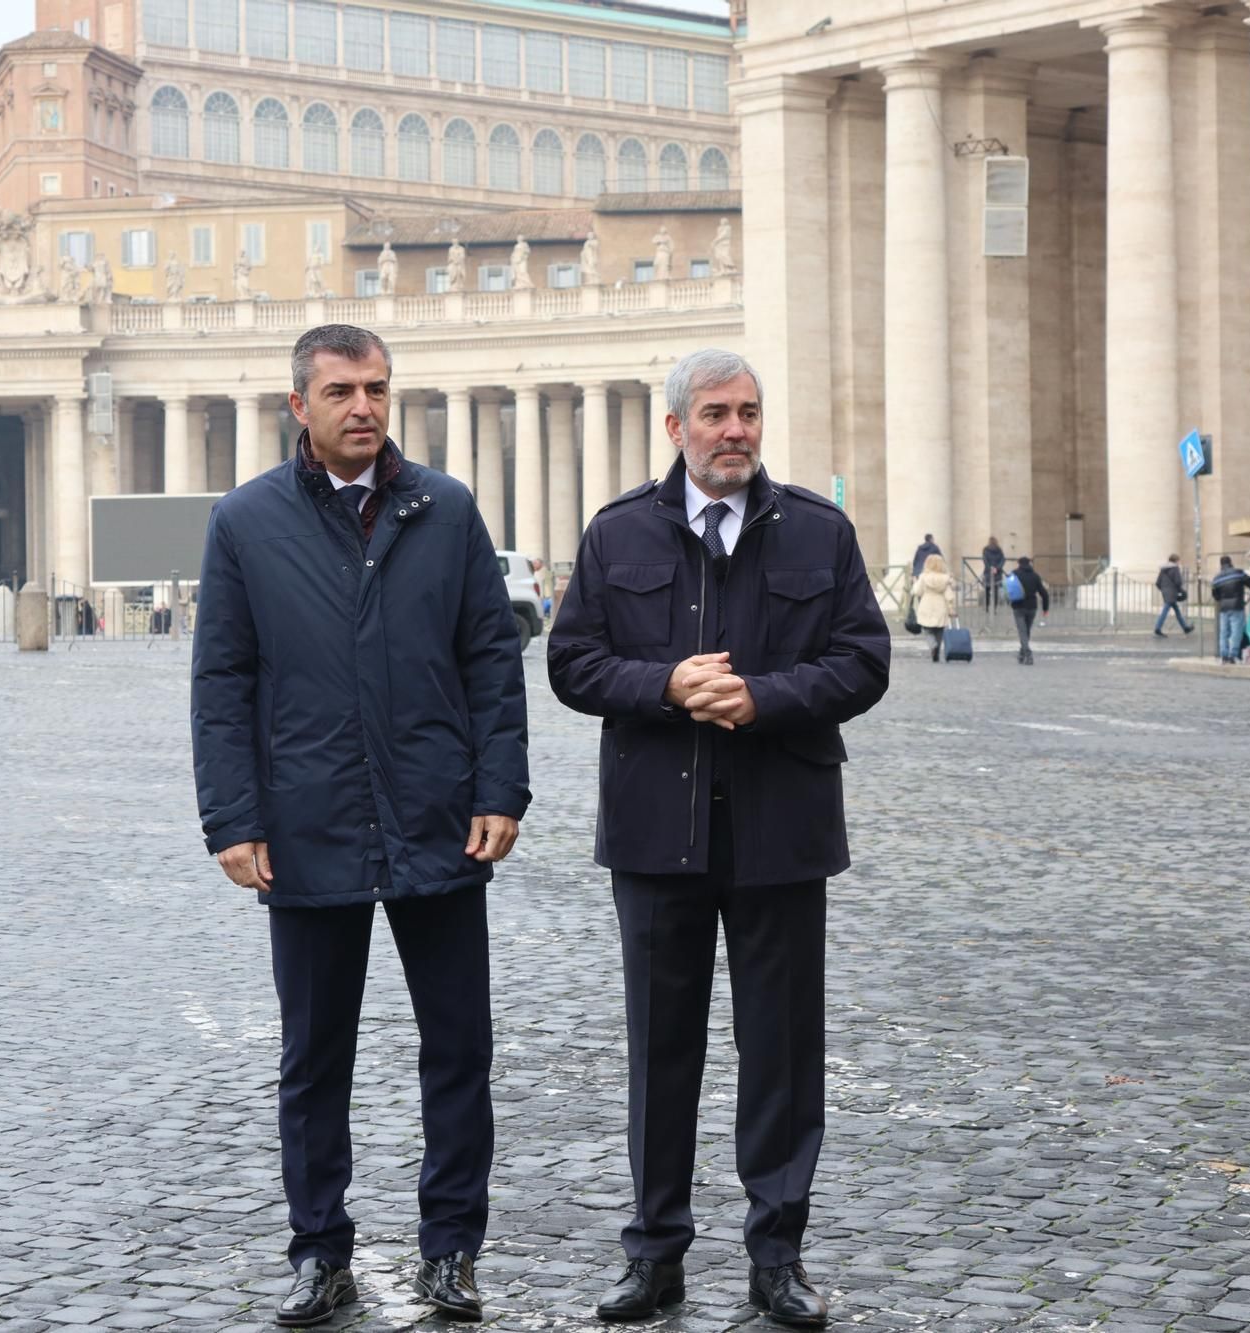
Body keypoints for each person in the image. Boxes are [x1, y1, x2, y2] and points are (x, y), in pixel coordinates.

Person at [191, 325, 529, 1328]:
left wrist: (500, 789)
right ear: (298, 404)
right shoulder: (244, 522)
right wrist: (231, 816)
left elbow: (490, 661)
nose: (362, 406)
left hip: (438, 818)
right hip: (304, 822)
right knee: (313, 1056)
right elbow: (222, 683)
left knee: (458, 1048)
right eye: (339, 389)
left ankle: (451, 1249)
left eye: (376, 387)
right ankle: (316, 1251)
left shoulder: (448, 508)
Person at [547, 348, 889, 1328]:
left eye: (746, 412)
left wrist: (763, 697)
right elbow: (571, 662)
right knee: (661, 1052)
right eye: (712, 414)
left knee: (780, 1052)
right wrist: (663, 685)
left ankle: (775, 1256)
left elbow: (862, 661)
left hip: (782, 829)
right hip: (657, 832)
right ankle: (652, 1252)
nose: (733, 429)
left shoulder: (817, 534)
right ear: (674, 429)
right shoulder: (618, 534)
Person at [1007, 556, 1050, 665]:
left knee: (1022, 632)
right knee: (1026, 631)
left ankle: (1028, 653)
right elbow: (1044, 593)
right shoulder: (1035, 576)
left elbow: (1008, 589)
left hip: (1018, 607)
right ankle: (1022, 654)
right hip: (1032, 607)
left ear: (1019, 563)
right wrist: (1045, 608)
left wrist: (1009, 601)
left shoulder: (1014, 574)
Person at [913, 554, 957, 662]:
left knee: (927, 629)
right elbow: (949, 595)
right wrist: (951, 607)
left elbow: (917, 591)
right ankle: (937, 647)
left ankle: (933, 646)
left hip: (926, 603)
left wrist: (915, 583)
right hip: (940, 604)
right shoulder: (946, 579)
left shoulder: (924, 577)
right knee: (939, 629)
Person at [1210, 555, 1250, 663]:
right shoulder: (1238, 573)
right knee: (1236, 631)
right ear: (1231, 562)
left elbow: (1215, 595)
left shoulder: (1217, 578)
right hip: (1237, 606)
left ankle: (1223, 655)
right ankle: (1233, 655)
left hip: (1224, 608)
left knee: (1223, 632)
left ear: (1221, 565)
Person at [1154, 555, 1194, 637]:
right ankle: (1157, 628)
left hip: (1165, 592)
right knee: (1165, 610)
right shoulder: (1175, 569)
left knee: (1177, 610)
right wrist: (1181, 591)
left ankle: (1185, 627)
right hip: (1172, 592)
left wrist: (1164, 589)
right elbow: (1178, 581)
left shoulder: (1163, 569)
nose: (1179, 563)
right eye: (1179, 561)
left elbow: (1158, 582)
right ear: (1176, 561)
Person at [981, 536, 1005, 607]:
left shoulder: (985, 550)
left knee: (987, 590)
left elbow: (985, 560)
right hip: (997, 573)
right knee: (995, 591)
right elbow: (1003, 560)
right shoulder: (999, 550)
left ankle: (987, 607)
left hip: (988, 572)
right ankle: (994, 608)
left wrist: (990, 568)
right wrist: (997, 568)